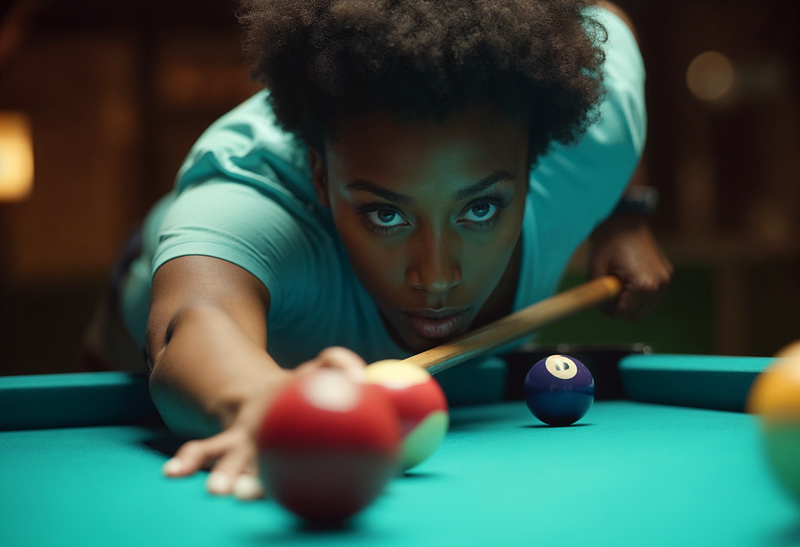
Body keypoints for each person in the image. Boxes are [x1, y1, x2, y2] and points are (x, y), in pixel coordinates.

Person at [83, 0, 671, 498]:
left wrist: (623, 214)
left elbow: (606, 19)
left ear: (534, 162)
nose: (437, 277)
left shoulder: (594, 136)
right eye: (385, 214)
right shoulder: (252, 197)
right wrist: (259, 399)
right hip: (134, 309)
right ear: (319, 174)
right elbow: (198, 321)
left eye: (480, 208)